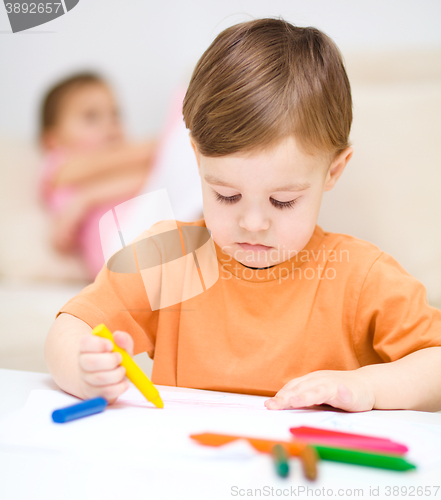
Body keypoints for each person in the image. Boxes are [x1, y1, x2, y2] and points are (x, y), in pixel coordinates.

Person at [44, 18, 441, 413]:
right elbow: (72, 325)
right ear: (197, 159)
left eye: (282, 201)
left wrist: (367, 385)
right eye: (227, 195)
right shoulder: (168, 257)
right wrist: (82, 367)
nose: (252, 223)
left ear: (333, 171)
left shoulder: (360, 276)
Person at [38, 72, 158, 279]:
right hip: (117, 248)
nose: (110, 125)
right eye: (91, 117)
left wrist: (87, 198)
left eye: (115, 115)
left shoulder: (124, 164)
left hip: (150, 233)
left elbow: (150, 179)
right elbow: (151, 155)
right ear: (53, 140)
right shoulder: (59, 165)